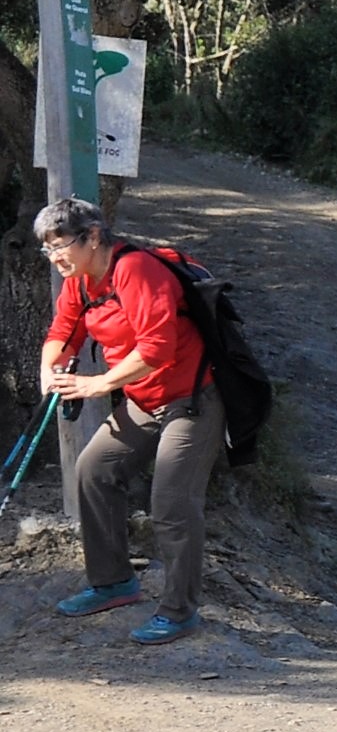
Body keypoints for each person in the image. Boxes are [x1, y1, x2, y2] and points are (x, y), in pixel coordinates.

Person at [34, 197, 217, 646]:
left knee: (172, 502)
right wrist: (49, 370)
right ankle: (113, 582)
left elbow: (157, 349)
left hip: (193, 398)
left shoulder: (136, 269)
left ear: (94, 236)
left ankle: (179, 611)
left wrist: (99, 384)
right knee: (94, 470)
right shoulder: (81, 281)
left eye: (61, 245)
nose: (55, 257)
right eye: (48, 248)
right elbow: (63, 332)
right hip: (144, 399)